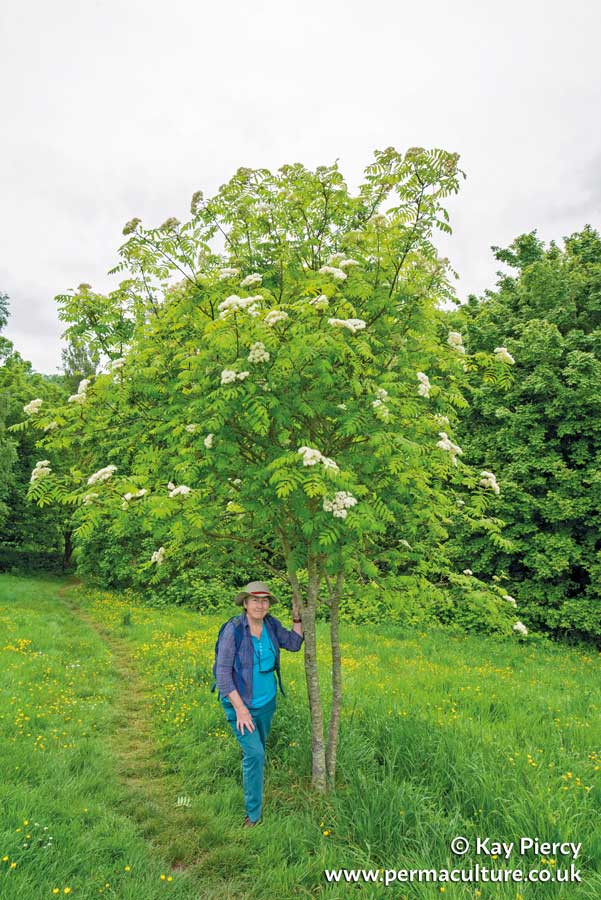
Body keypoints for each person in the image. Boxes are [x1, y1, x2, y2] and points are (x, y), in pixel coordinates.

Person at [215, 580, 304, 827]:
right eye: (255, 600)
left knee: (256, 752)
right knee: (255, 754)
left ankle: (249, 772)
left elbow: (294, 644)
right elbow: (222, 675)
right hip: (239, 705)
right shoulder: (232, 630)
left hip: (266, 703)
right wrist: (241, 710)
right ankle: (253, 816)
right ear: (245, 603)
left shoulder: (271, 625)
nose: (260, 605)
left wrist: (298, 619)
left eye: (264, 601)